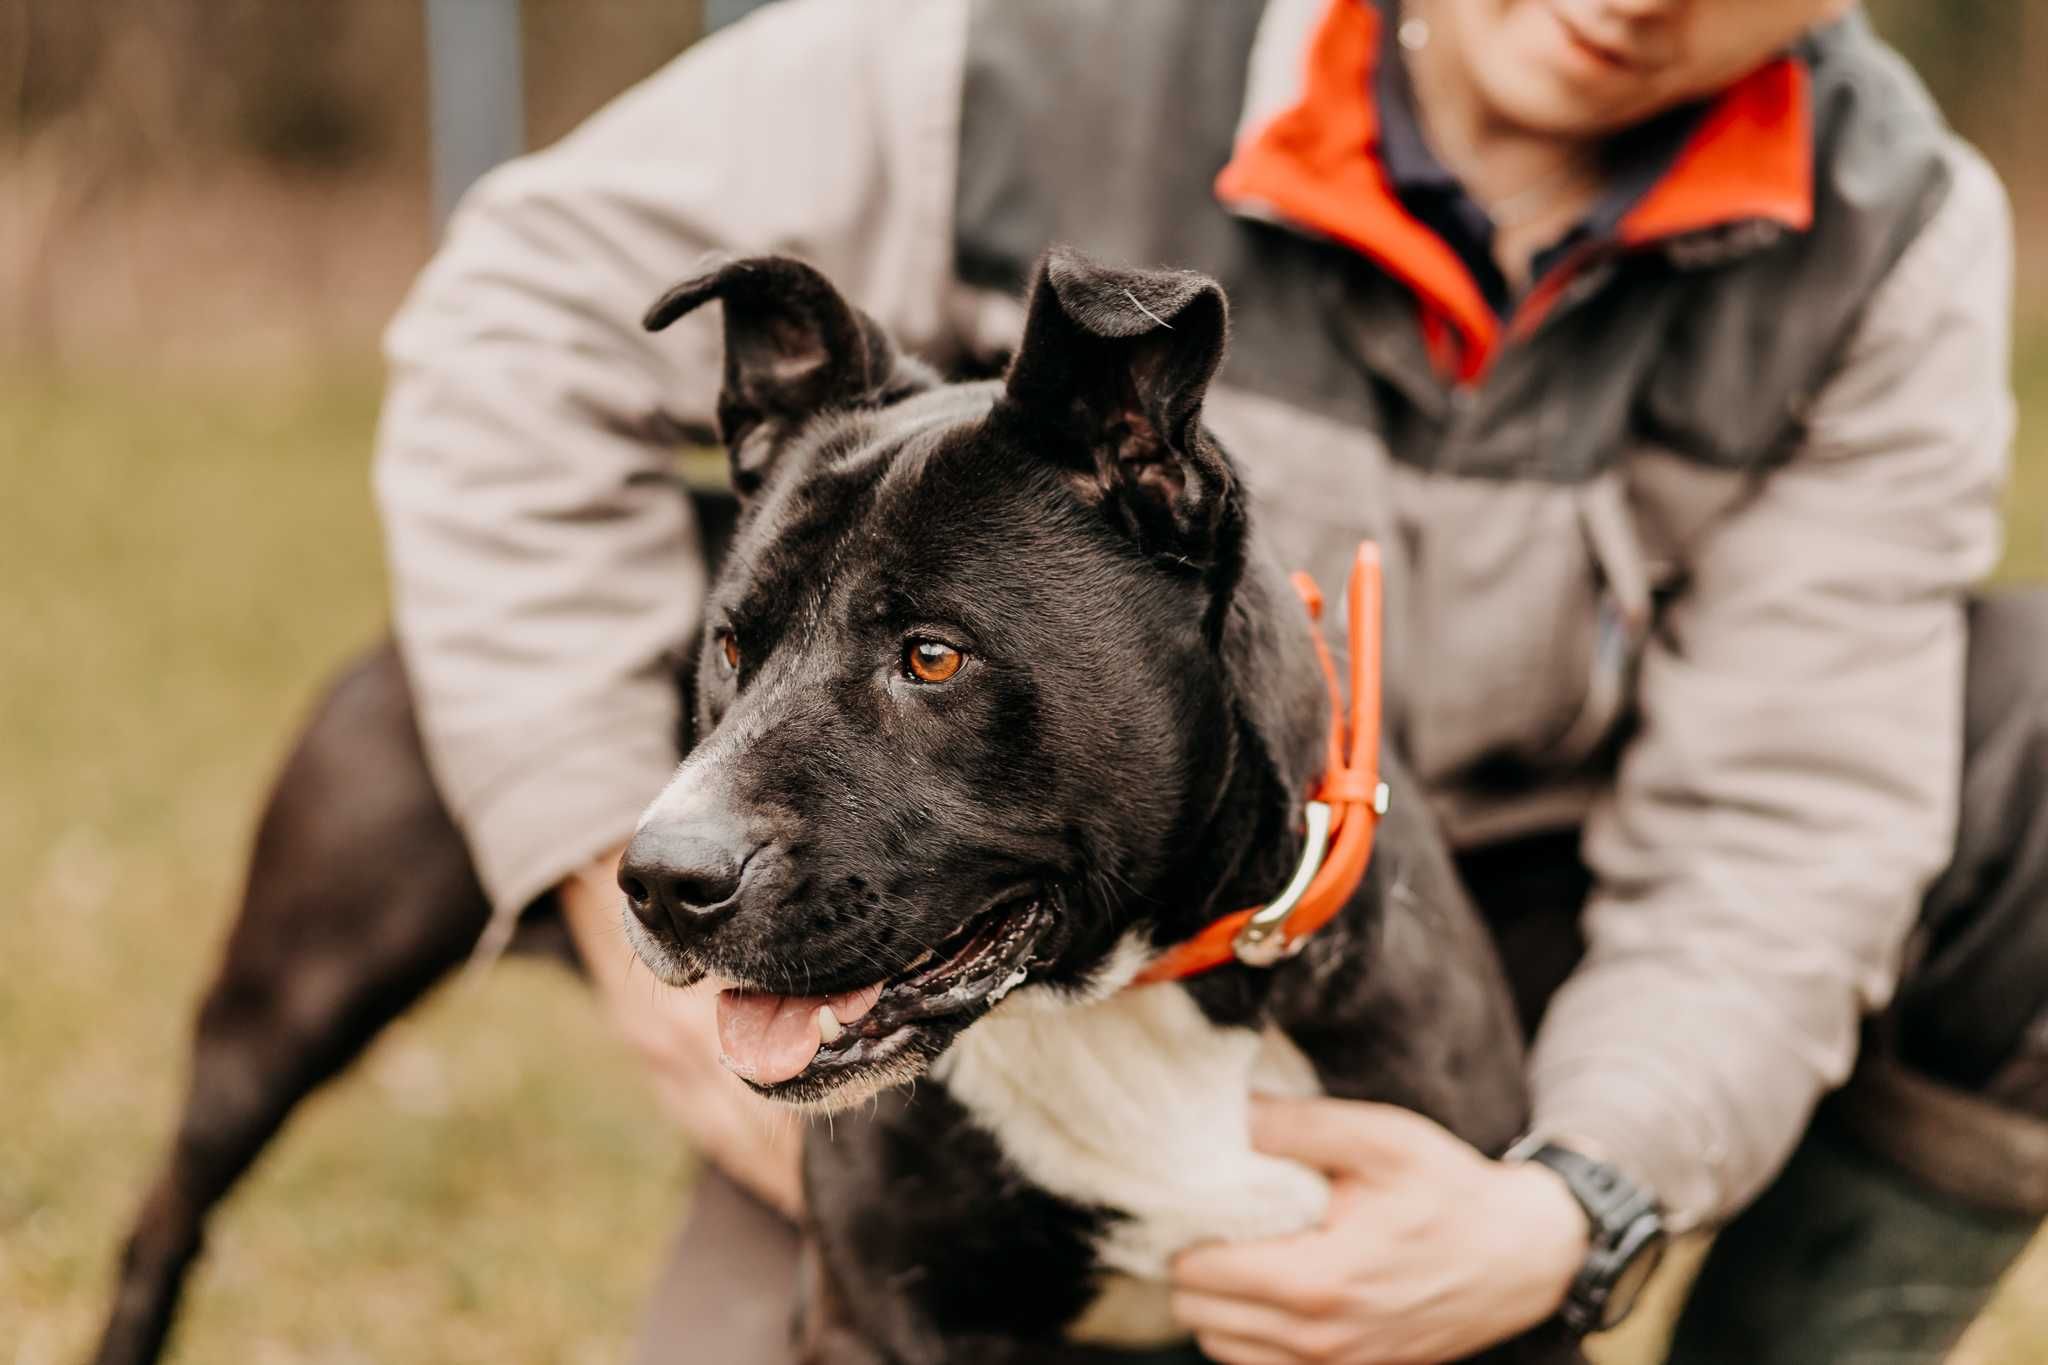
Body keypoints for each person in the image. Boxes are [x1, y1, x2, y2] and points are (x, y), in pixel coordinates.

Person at [372, 0, 2048, 1360]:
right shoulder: (1025, 44)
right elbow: (510, 317)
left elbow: (1793, 818)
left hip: (1512, 940)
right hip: (965, 927)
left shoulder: (1890, 228)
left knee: (2030, 718)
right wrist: (603, 848)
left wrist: (1561, 1211)